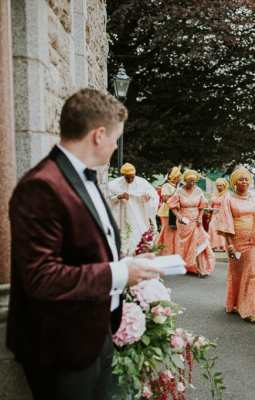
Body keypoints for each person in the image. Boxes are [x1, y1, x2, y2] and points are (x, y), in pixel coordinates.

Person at [6, 88, 161, 400]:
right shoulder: (41, 186)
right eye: (115, 137)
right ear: (98, 135)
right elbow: (42, 277)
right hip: (61, 346)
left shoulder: (83, 179)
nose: (116, 145)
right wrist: (119, 274)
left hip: (97, 332)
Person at [214, 167, 255, 323]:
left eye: (246, 179)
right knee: (237, 273)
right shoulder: (228, 199)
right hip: (237, 241)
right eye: (240, 179)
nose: (244, 181)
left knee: (253, 272)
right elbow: (225, 222)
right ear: (234, 183)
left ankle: (252, 310)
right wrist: (229, 245)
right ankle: (235, 303)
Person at [168, 170, 215, 277]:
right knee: (184, 245)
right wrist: (179, 216)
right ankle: (187, 266)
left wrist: (199, 217)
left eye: (194, 181)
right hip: (183, 221)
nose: (192, 183)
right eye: (190, 181)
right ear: (185, 181)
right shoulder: (179, 191)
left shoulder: (198, 191)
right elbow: (172, 205)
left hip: (195, 220)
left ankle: (200, 268)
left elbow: (202, 206)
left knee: (198, 242)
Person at [109, 162, 159, 256]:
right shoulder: (114, 184)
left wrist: (147, 197)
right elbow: (107, 199)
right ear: (123, 175)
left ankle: (140, 254)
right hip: (122, 216)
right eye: (127, 177)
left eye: (132, 177)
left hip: (139, 215)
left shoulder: (142, 182)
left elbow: (153, 196)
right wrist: (119, 197)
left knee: (139, 234)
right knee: (124, 237)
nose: (130, 179)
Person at [156, 166, 181, 255]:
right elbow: (165, 199)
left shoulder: (179, 187)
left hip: (176, 212)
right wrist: (176, 196)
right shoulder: (166, 186)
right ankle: (166, 252)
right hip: (167, 212)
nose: (179, 178)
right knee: (167, 232)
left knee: (175, 233)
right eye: (177, 176)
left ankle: (175, 251)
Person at [208, 178, 229, 252]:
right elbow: (210, 204)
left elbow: (228, 206)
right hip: (214, 214)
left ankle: (222, 246)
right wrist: (209, 210)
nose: (219, 187)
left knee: (221, 229)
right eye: (217, 185)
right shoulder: (214, 194)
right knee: (212, 227)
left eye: (220, 185)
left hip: (223, 214)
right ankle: (213, 245)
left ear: (224, 186)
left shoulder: (227, 194)